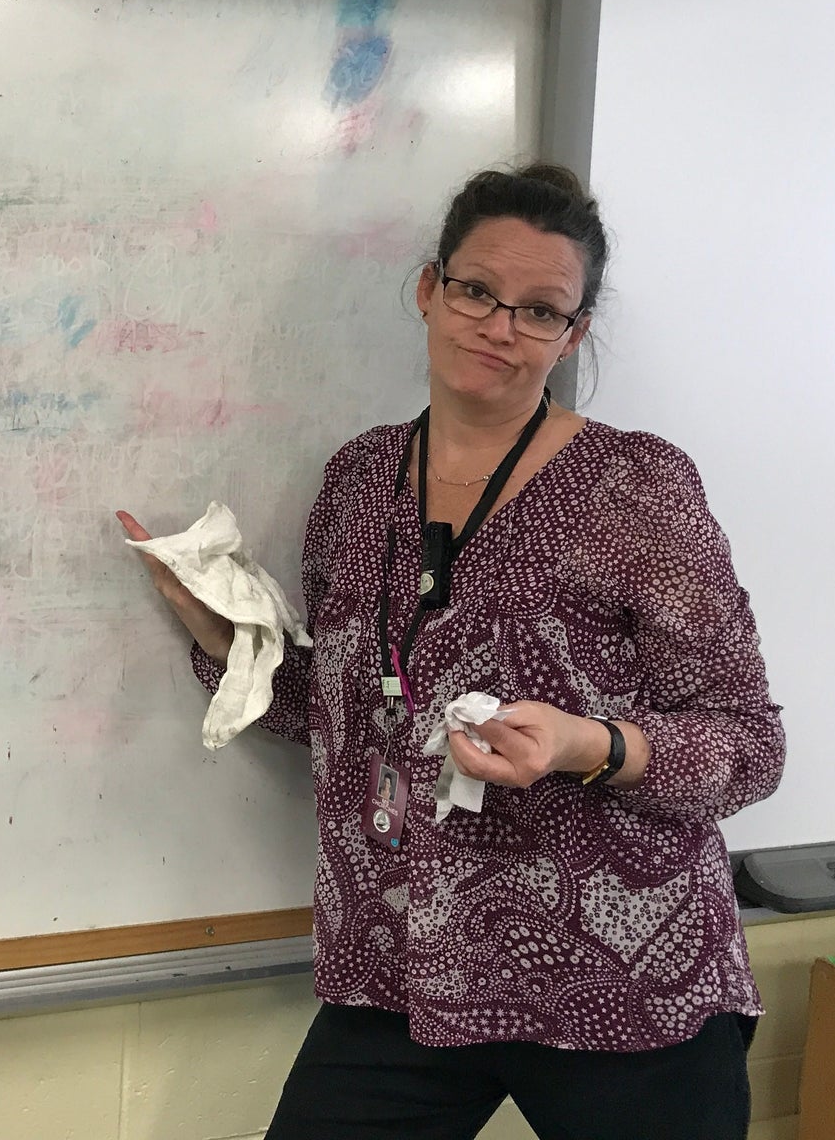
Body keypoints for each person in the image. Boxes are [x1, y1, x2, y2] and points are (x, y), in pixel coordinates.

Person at [119, 163, 784, 1140]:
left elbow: (747, 746)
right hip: (405, 963)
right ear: (431, 290)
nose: (500, 327)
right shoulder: (357, 484)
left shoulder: (637, 489)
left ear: (574, 334)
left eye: (540, 310)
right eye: (476, 291)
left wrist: (584, 746)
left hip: (620, 980)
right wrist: (221, 630)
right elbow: (345, 714)